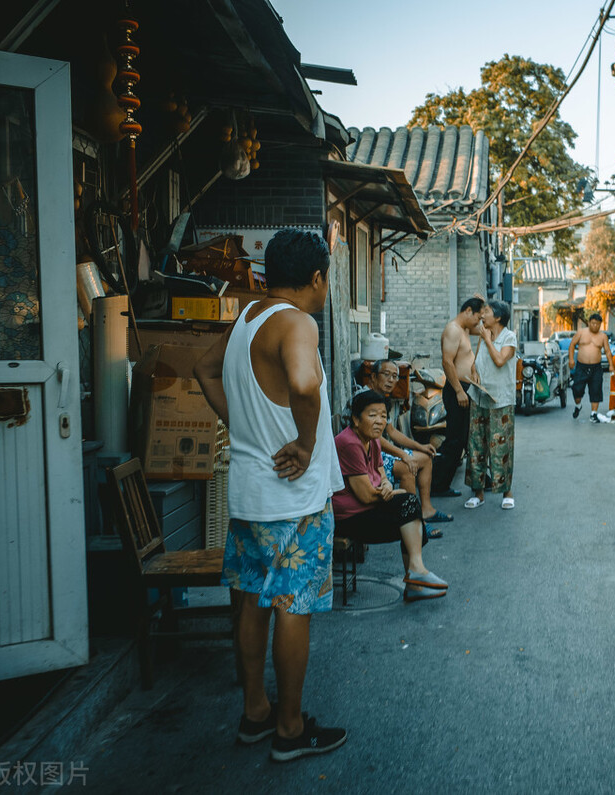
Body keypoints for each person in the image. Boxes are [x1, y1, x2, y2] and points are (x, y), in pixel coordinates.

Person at [193, 228, 346, 762]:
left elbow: (203, 368)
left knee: (254, 604)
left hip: (250, 494)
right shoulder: (297, 322)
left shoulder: (247, 319)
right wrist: (305, 445)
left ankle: (256, 713)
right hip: (295, 499)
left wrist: (244, 429)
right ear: (317, 277)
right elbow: (304, 384)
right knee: (292, 607)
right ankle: (289, 728)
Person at [333, 390, 448, 602]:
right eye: (372, 415)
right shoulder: (349, 443)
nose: (380, 421)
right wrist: (395, 492)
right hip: (349, 519)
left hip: (368, 510)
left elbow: (380, 471)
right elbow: (366, 497)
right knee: (408, 507)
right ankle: (415, 576)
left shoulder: (373, 439)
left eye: (383, 415)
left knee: (410, 512)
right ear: (356, 420)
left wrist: (386, 484)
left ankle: (415, 574)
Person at [353, 359, 452, 526]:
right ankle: (413, 522)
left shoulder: (382, 399)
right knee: (407, 468)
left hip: (379, 453)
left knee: (426, 458)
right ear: (374, 377)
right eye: (386, 375)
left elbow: (392, 432)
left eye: (395, 376)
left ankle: (426, 510)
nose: (391, 380)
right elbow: (376, 439)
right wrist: (402, 455)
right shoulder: (363, 398)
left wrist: (420, 447)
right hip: (364, 456)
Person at [431, 297, 488, 496]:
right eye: (477, 317)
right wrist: (458, 391)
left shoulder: (464, 329)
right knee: (455, 440)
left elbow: (482, 330)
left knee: (466, 438)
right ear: (468, 311)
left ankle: (480, 479)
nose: (479, 321)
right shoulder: (453, 330)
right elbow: (447, 362)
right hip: (457, 390)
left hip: (465, 388)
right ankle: (437, 485)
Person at [464, 299, 517, 510]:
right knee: (476, 445)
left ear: (498, 317)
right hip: (480, 396)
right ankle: (478, 493)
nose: (482, 315)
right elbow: (476, 361)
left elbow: (500, 361)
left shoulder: (509, 337)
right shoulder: (482, 334)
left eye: (486, 311)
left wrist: (487, 340)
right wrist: (474, 373)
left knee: (501, 446)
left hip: (501, 400)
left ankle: (506, 492)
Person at [568, 313, 614, 423]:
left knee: (596, 390)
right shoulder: (581, 333)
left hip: (596, 367)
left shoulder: (603, 336)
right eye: (593, 323)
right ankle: (578, 405)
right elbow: (572, 345)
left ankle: (594, 414)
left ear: (600, 325)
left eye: (597, 324)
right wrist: (571, 359)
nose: (595, 326)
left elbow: (607, 351)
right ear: (589, 323)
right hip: (581, 366)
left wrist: (611, 365)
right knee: (577, 389)